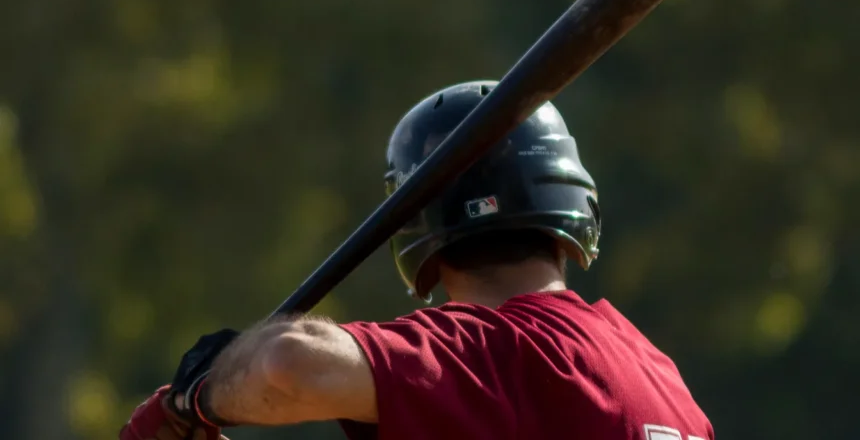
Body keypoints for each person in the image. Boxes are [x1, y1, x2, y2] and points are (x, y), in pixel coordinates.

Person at [120, 80, 715, 440]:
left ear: (416, 224)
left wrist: (193, 396)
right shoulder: (663, 380)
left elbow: (288, 364)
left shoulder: (497, 356)